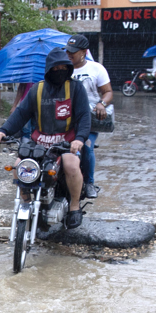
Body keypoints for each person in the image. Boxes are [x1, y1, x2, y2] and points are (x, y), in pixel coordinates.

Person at [0, 48, 91, 229]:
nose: (59, 71)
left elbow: (85, 116)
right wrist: (4, 130)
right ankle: (27, 203)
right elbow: (21, 114)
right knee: (18, 167)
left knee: (71, 165)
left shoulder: (76, 88)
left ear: (68, 69)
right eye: (56, 68)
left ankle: (74, 207)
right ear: (48, 70)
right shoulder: (37, 90)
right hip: (39, 143)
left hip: (65, 143)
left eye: (63, 67)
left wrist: (80, 139)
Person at [66, 34, 112, 200]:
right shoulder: (62, 68)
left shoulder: (96, 69)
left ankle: (89, 182)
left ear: (84, 52)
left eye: (73, 51)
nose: (69, 54)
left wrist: (102, 104)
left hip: (88, 118)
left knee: (86, 146)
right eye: (67, 51)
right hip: (65, 118)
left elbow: (108, 92)